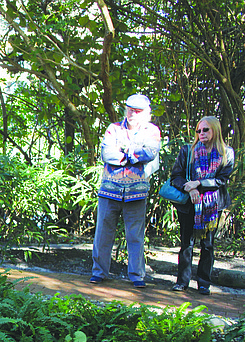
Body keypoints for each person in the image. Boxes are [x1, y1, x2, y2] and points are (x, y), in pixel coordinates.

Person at [90, 94, 161, 287]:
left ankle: (137, 275)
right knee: (103, 232)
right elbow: (107, 153)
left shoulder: (152, 131)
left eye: (138, 111)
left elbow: (151, 152)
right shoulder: (113, 129)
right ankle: (99, 272)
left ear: (147, 113)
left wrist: (125, 151)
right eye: (130, 109)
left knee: (135, 235)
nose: (133, 114)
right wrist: (134, 155)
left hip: (136, 192)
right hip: (109, 190)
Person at [168, 116, 234, 295]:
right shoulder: (187, 151)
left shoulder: (226, 153)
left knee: (208, 245)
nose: (201, 133)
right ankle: (182, 281)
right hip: (189, 203)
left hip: (213, 205)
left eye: (206, 130)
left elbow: (222, 180)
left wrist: (198, 183)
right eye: (198, 130)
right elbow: (176, 177)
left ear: (215, 130)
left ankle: (204, 282)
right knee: (186, 243)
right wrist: (189, 189)